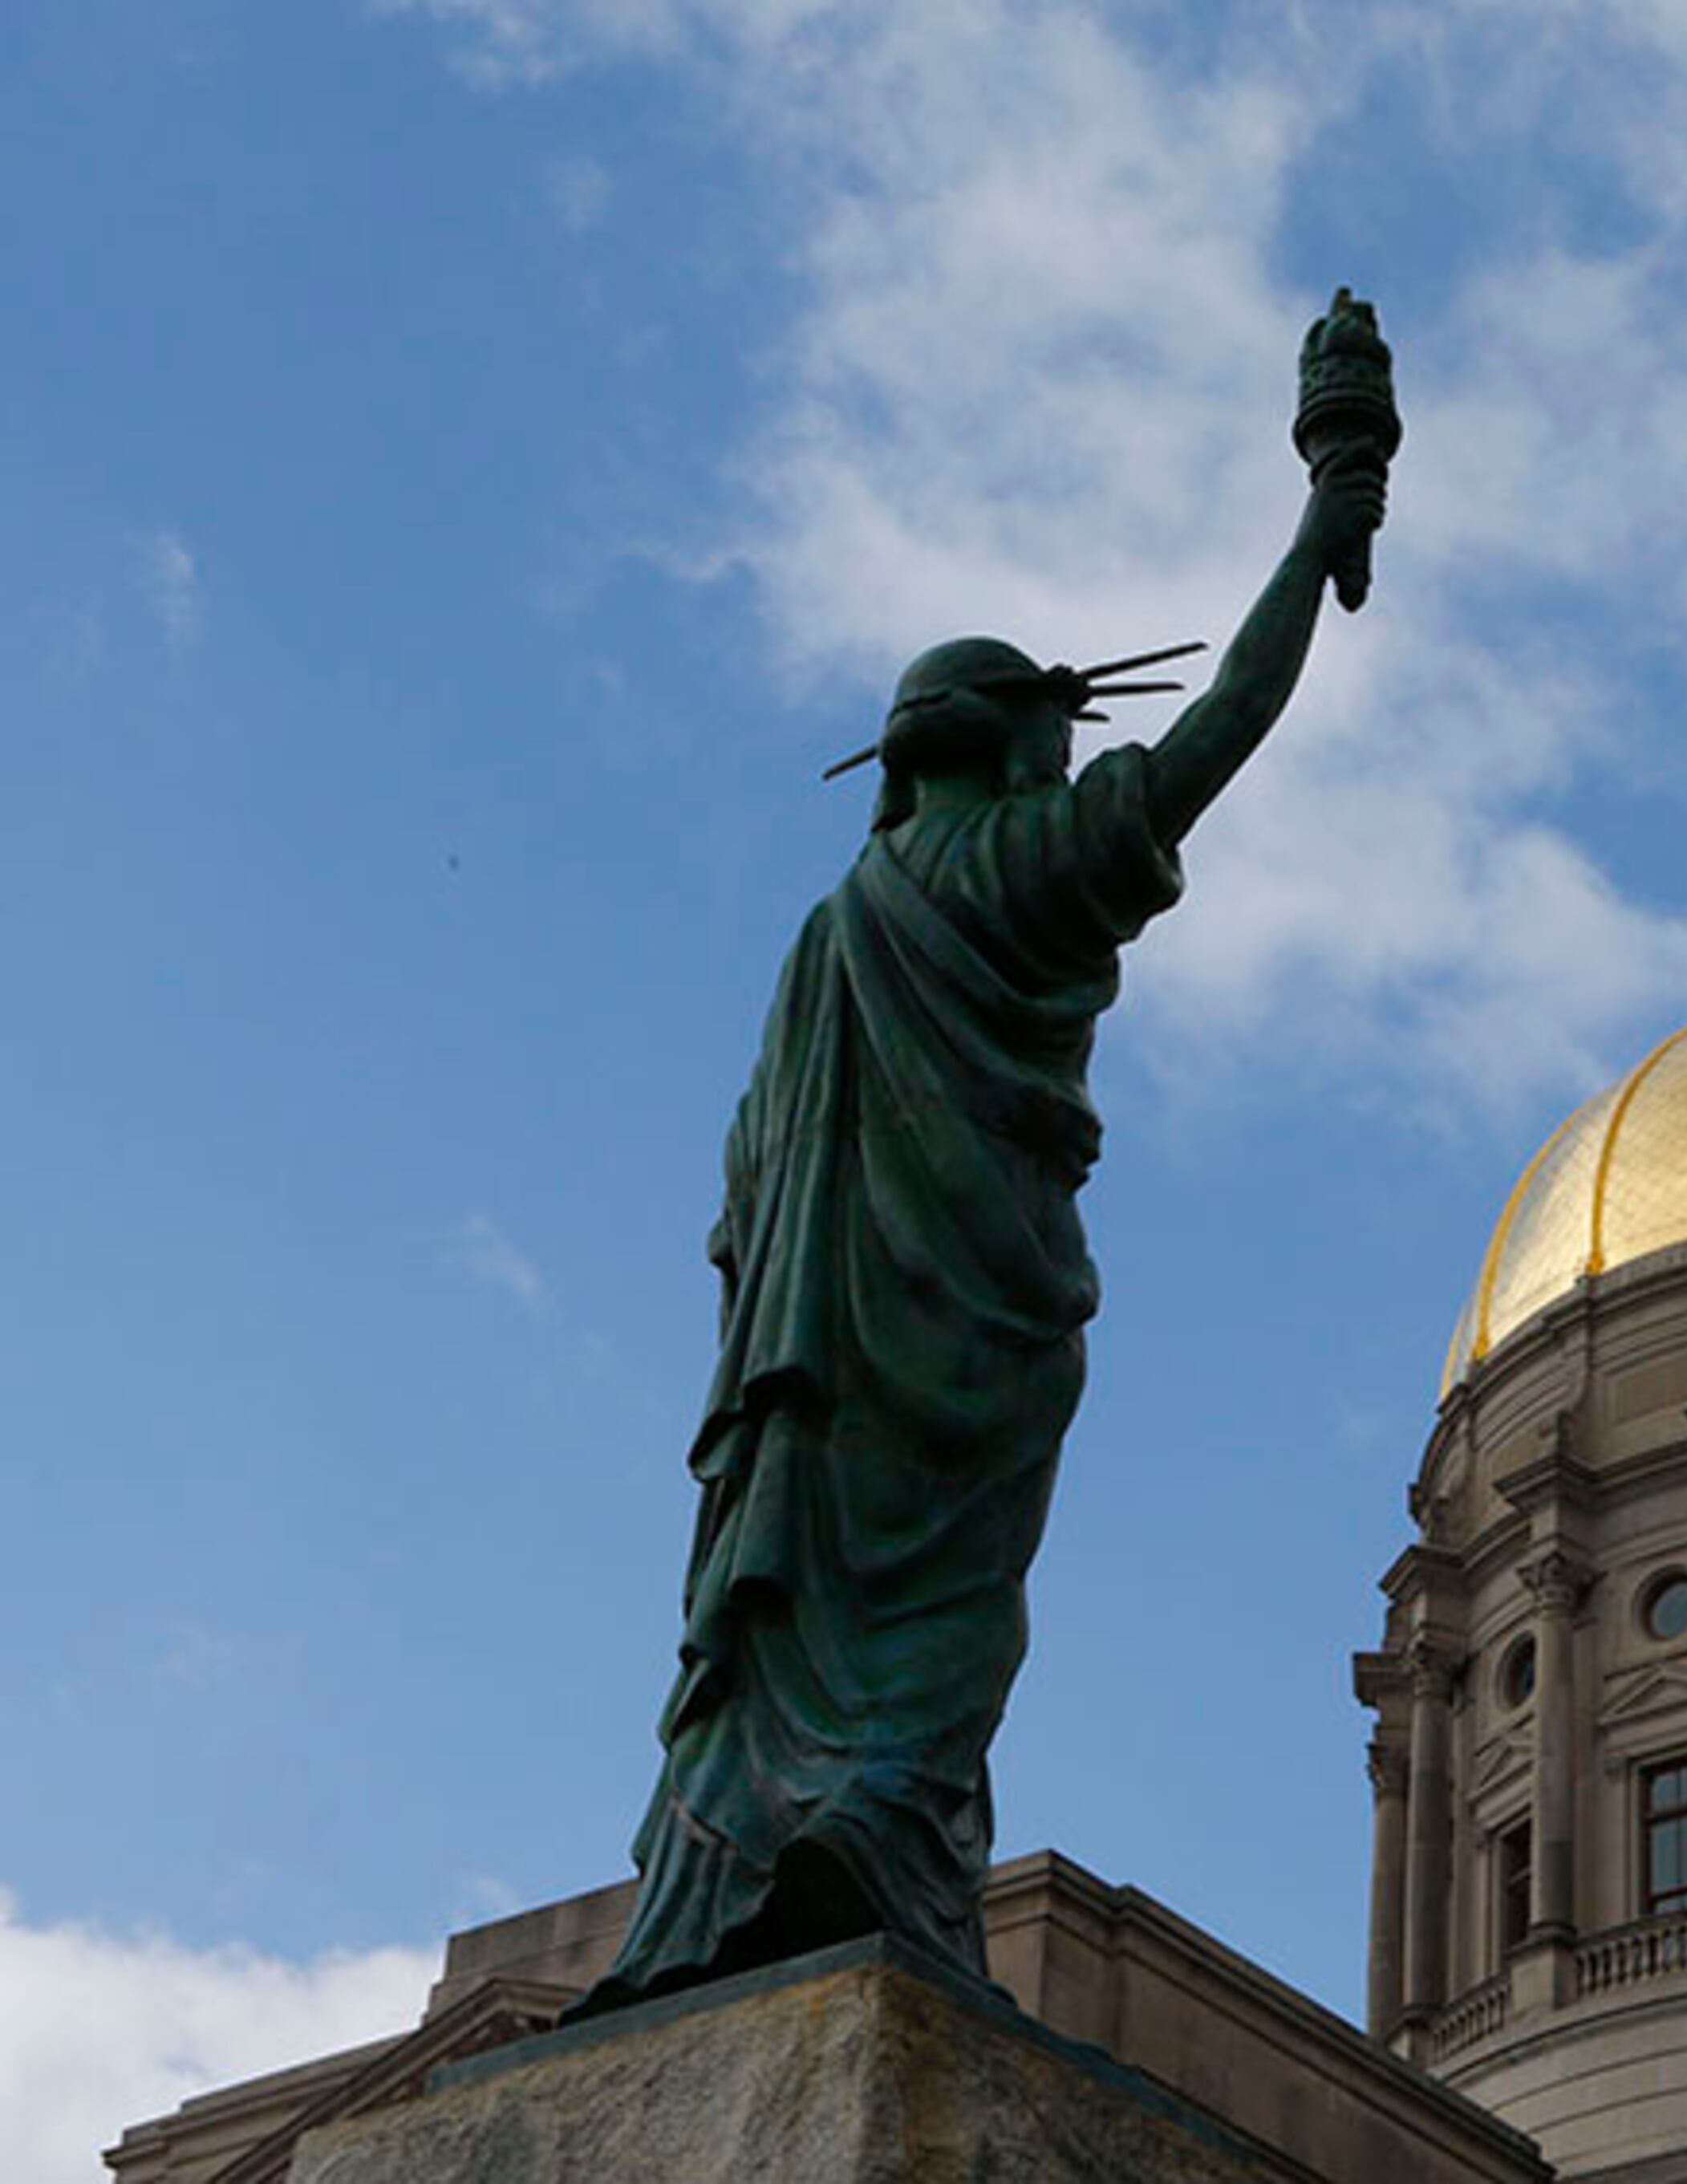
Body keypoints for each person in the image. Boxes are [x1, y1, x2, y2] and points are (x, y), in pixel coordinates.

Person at [572, 446, 1387, 2017]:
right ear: (1020, 743)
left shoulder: (835, 928)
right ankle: (873, 1828)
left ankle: (726, 1856)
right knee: (944, 1606)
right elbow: (1222, 721)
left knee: (788, 1605)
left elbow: (738, 1196)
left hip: (803, 1356)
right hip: (973, 1317)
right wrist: (1323, 522)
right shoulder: (1029, 861)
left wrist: (779, 1310)